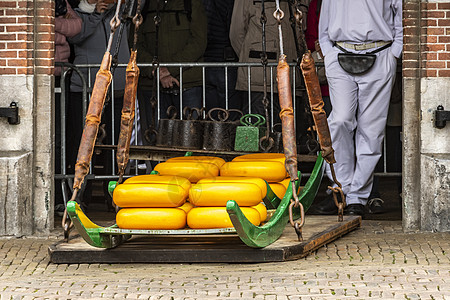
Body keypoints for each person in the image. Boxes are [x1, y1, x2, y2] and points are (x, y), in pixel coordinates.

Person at [317, 0, 403, 217]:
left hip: (380, 52)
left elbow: (401, 15)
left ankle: (357, 197)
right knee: (339, 121)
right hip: (340, 51)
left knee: (371, 131)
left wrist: (395, 53)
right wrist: (328, 51)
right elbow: (325, 18)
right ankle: (342, 188)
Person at [67, 0, 131, 175]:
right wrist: (95, 14)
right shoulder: (76, 14)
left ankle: (113, 191)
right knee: (84, 143)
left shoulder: (121, 13)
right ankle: (80, 191)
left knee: (118, 142)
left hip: (116, 89)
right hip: (86, 90)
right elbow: (76, 36)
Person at [229, 0, 306, 126]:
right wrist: (252, 61)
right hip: (258, 81)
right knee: (256, 134)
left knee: (287, 137)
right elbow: (236, 34)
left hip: (290, 80)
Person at [136, 0, 207, 134]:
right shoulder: (144, 5)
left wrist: (167, 70)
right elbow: (135, 44)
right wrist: (157, 72)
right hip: (152, 86)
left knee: (191, 139)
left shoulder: (192, 3)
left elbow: (199, 42)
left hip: (187, 83)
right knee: (155, 139)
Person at [202, 0, 240, 114]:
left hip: (206, 60)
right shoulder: (228, 3)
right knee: (231, 115)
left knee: (211, 116)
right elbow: (235, 30)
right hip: (226, 59)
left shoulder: (202, 4)